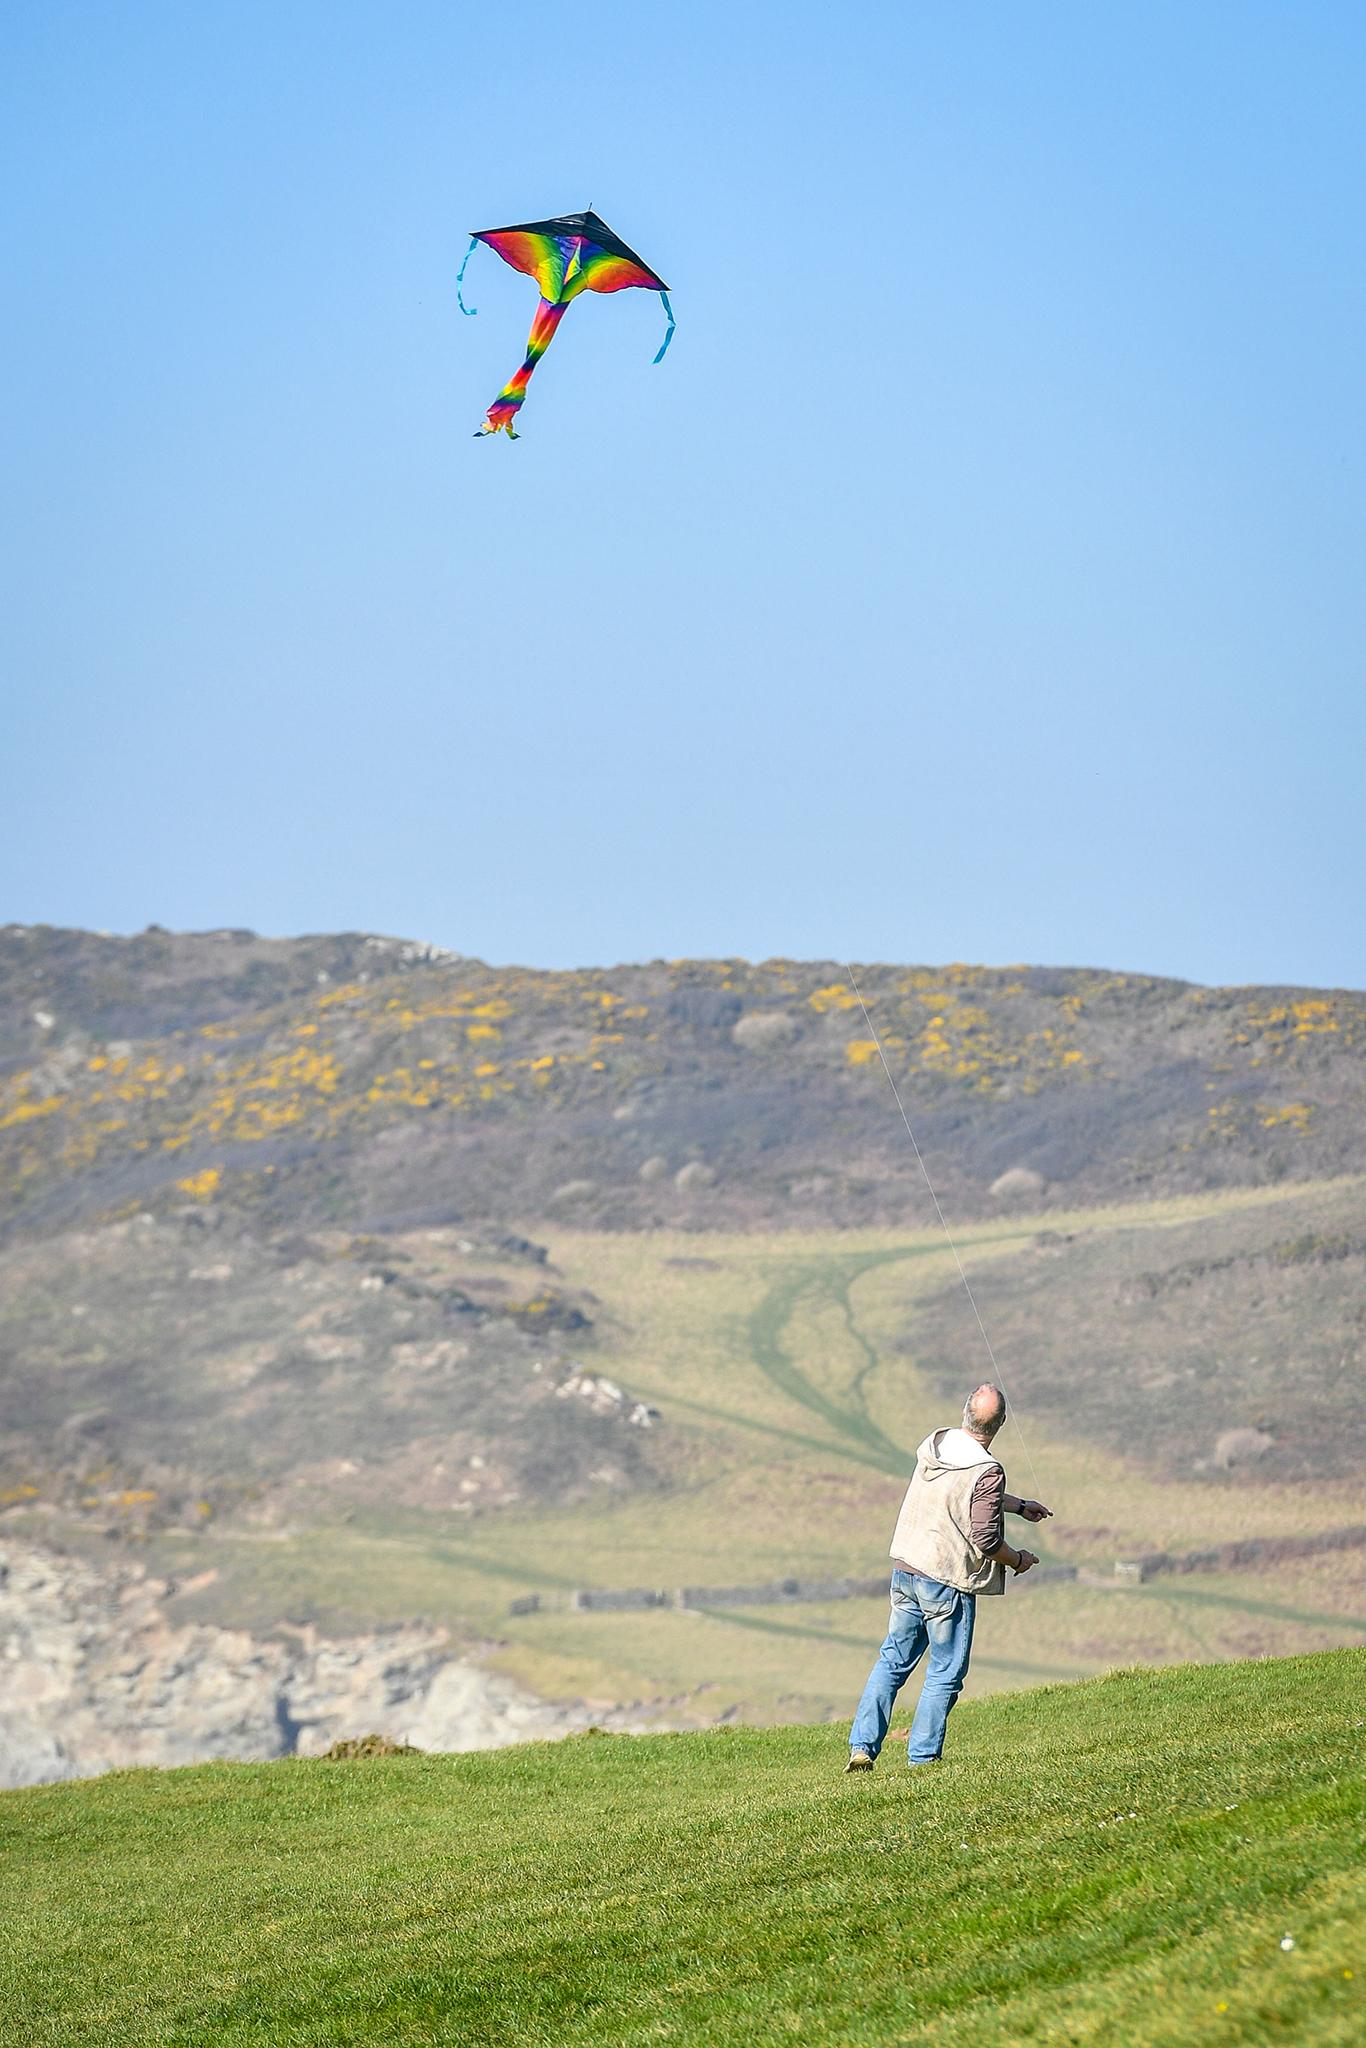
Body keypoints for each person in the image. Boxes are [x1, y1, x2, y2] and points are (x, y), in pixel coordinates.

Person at [846, 1383, 1053, 1772]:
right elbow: (986, 1539)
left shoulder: (937, 1445)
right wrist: (1018, 1560)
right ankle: (922, 1760)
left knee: (892, 1661)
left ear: (965, 1413)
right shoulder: (987, 1470)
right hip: (944, 1579)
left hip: (906, 1569)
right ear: (1001, 1424)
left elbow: (962, 1493)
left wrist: (1019, 1506)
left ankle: (862, 1747)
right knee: (944, 1671)